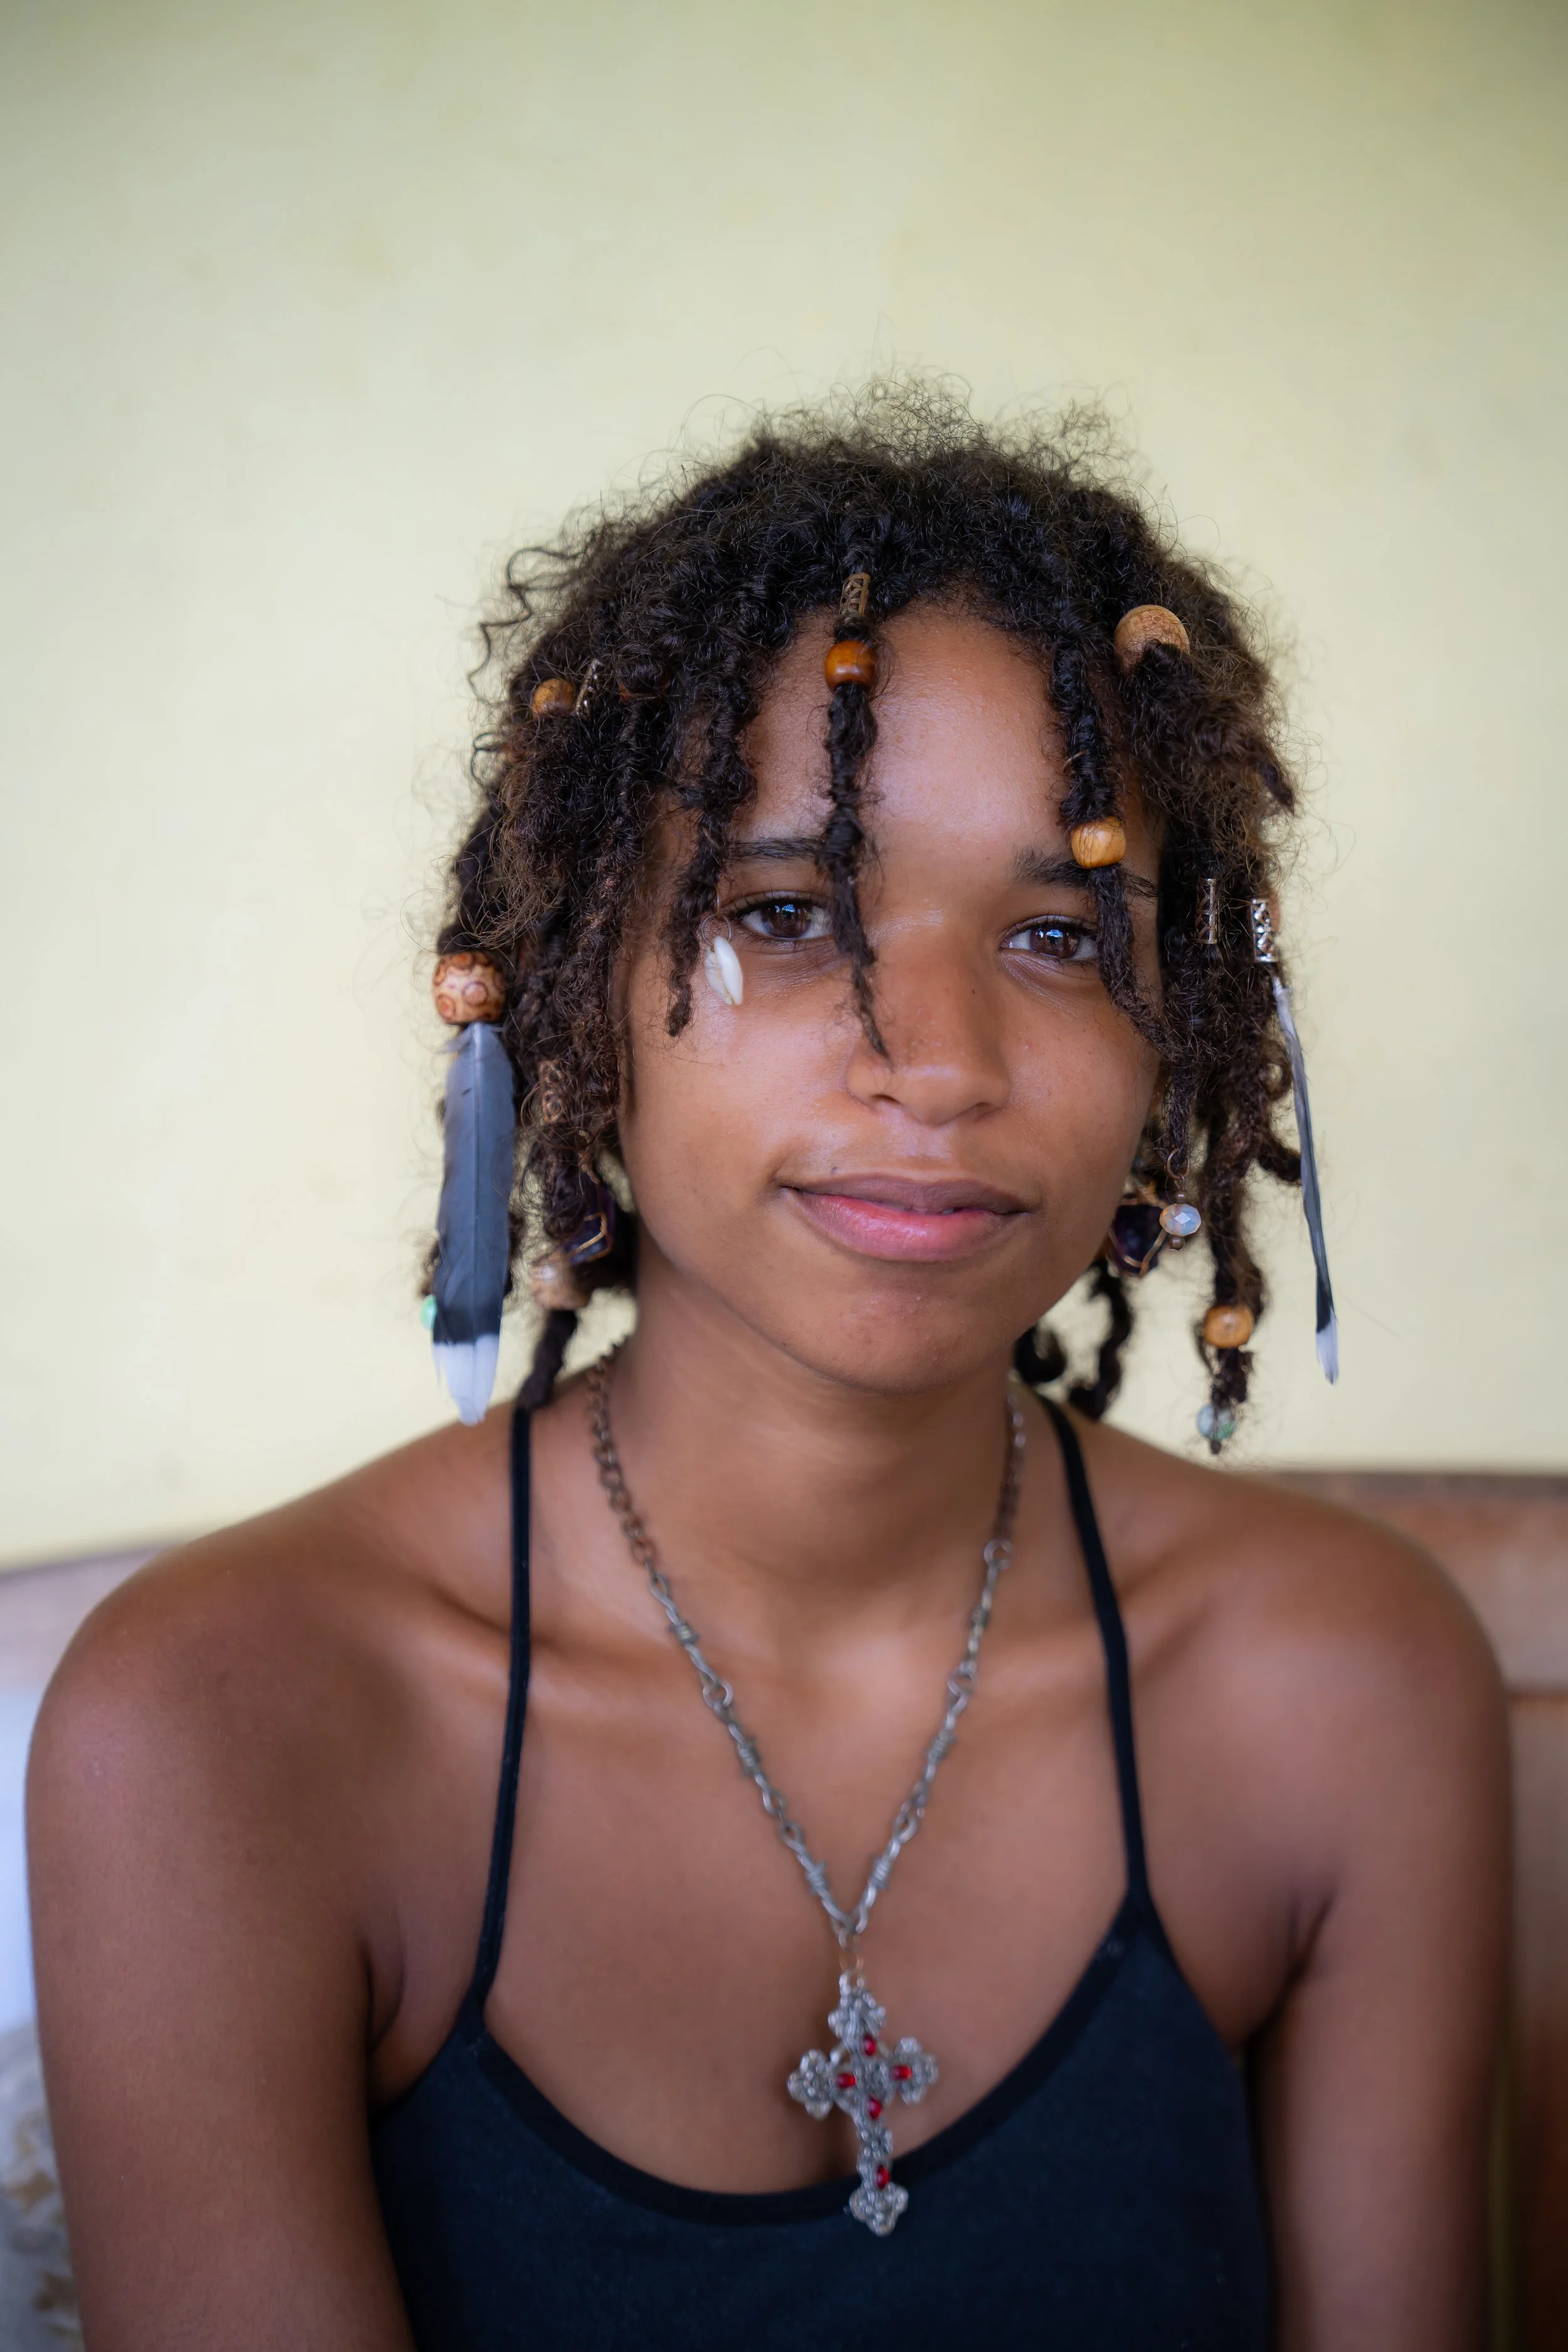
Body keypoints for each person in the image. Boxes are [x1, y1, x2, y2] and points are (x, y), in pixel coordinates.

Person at [28, 392, 1507, 2350]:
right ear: (566, 998)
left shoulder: (1341, 1682)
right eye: (786, 914)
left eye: (1062, 935)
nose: (943, 1057)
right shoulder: (226, 1724)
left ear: (1184, 1034)